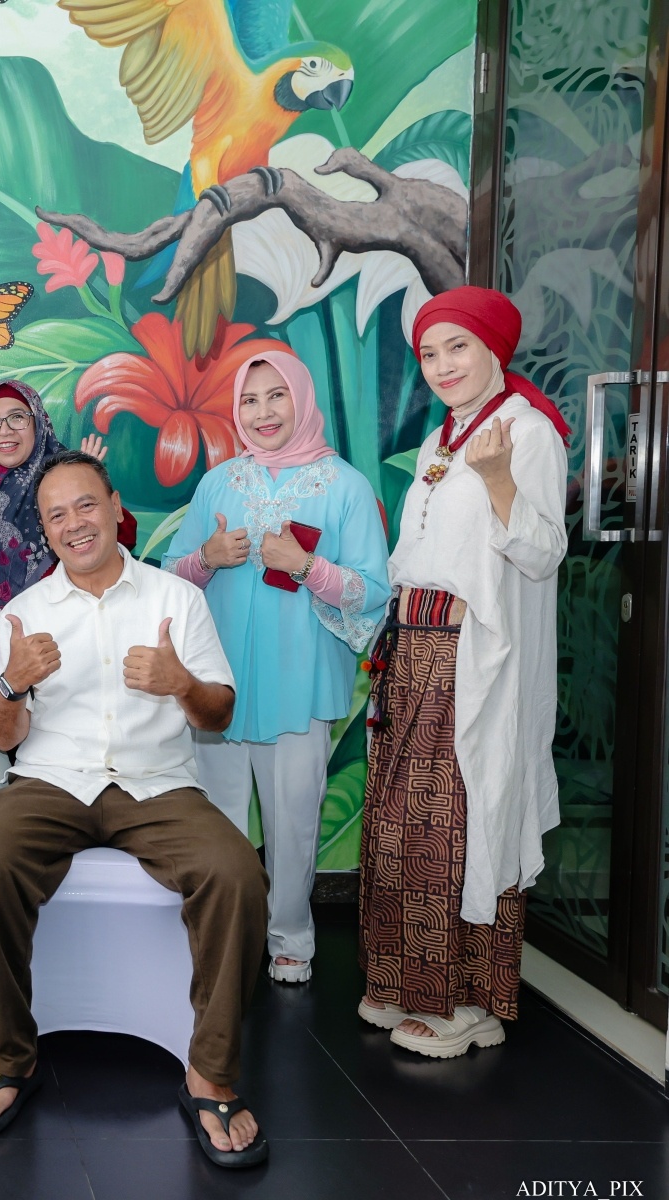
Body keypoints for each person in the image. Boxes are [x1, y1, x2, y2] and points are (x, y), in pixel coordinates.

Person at [0, 450, 270, 1170]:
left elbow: (218, 714)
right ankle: (8, 1059)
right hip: (50, 781)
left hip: (157, 783)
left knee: (236, 873)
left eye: (86, 505)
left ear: (115, 506)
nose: (74, 524)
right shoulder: (23, 612)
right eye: (56, 515)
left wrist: (180, 682)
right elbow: (5, 736)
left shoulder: (175, 599)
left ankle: (211, 1073)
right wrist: (11, 685)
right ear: (44, 529)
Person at [359, 286, 567, 1058]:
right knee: (399, 822)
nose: (443, 365)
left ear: (493, 350)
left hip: (471, 657)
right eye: (429, 353)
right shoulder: (440, 439)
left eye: (458, 347)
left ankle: (468, 1003)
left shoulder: (528, 433)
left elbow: (544, 553)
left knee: (456, 825)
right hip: (414, 650)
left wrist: (503, 479)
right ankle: (404, 980)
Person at [163, 352, 389, 985]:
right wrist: (206, 558)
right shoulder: (218, 483)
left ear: (301, 399)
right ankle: (222, 934)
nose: (263, 412)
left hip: (299, 682)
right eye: (250, 399)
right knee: (217, 820)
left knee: (294, 819)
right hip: (219, 687)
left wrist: (306, 566)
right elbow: (171, 578)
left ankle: (291, 937)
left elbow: (373, 590)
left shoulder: (345, 486)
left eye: (276, 395)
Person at [0, 379, 136, 605]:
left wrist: (89, 486)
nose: (5, 430)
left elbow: (125, 537)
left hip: (74, 612)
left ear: (38, 423)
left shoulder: (63, 476)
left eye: (17, 417)